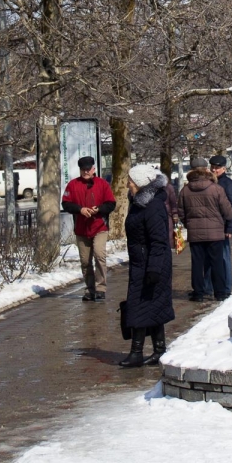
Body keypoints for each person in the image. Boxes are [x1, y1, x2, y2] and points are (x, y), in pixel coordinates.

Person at [120, 164, 175, 368]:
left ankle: (137, 352)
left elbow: (159, 241)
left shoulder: (152, 206)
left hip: (151, 263)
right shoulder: (139, 203)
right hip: (141, 262)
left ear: (140, 184)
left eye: (131, 181)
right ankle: (158, 350)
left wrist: (153, 268)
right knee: (152, 306)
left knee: (140, 306)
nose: (127, 183)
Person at [62, 156, 116, 302]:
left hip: (99, 226)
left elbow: (111, 204)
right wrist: (80, 209)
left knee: (99, 255)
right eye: (83, 170)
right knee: (85, 261)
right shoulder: (72, 185)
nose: (86, 172)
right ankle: (90, 289)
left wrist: (98, 209)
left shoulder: (103, 184)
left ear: (94, 169)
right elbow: (66, 204)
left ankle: (101, 288)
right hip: (81, 228)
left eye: (88, 169)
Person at [179, 160, 232, 301]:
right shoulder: (216, 189)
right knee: (217, 263)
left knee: (197, 263)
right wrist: (223, 222)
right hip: (215, 233)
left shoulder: (185, 190)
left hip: (195, 233)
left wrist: (189, 224)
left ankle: (198, 293)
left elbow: (181, 212)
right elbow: (228, 212)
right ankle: (220, 292)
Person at [211, 155, 232, 298]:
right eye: (213, 167)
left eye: (217, 168)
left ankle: (227, 287)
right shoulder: (211, 182)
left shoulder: (228, 184)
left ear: (223, 168)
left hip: (222, 227)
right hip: (212, 226)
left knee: (223, 257)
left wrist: (230, 228)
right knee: (211, 259)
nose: (214, 170)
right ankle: (209, 287)